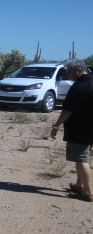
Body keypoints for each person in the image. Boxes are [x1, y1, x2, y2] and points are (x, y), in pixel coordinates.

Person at [50, 59, 93, 202]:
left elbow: (67, 110)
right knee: (82, 157)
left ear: (79, 71)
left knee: (81, 159)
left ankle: (87, 192)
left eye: (69, 72)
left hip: (81, 129)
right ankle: (78, 185)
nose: (68, 75)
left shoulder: (79, 86)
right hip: (90, 128)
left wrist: (56, 126)